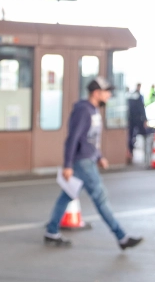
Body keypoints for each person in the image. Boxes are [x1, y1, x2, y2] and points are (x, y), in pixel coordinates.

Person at [44, 76, 143, 250]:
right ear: (96, 93)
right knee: (100, 198)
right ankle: (121, 237)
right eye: (106, 92)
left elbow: (90, 139)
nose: (109, 96)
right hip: (82, 162)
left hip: (88, 159)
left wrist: (98, 156)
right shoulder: (83, 110)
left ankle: (51, 231)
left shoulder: (94, 110)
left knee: (67, 195)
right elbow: (73, 138)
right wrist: (67, 164)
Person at [126, 83, 148, 164]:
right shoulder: (137, 96)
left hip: (133, 119)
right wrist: (145, 119)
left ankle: (131, 153)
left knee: (131, 136)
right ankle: (132, 153)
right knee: (140, 135)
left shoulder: (131, 96)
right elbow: (142, 108)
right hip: (137, 119)